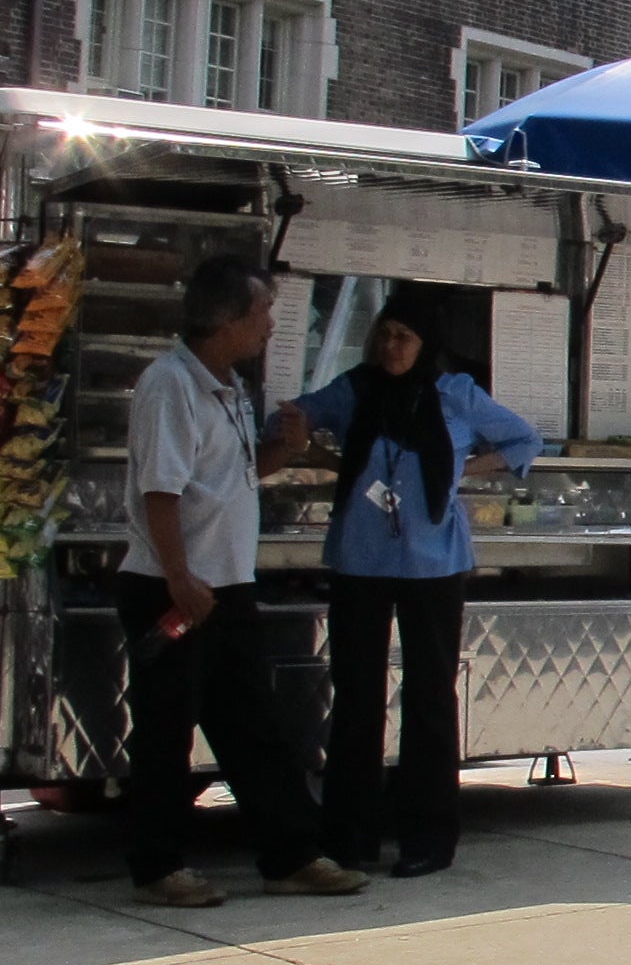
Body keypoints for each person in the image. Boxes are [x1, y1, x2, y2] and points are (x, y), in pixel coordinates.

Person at [114, 256, 360, 909]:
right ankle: (157, 866)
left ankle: (291, 854)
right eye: (261, 313)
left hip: (226, 586)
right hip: (175, 587)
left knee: (254, 726)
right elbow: (160, 493)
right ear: (224, 319)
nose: (271, 327)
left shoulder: (225, 388)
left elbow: (237, 477)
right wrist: (179, 577)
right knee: (166, 731)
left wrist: (291, 446)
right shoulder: (170, 386)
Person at [274, 292, 542, 878]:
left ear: (426, 344)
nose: (392, 347)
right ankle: (350, 836)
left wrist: (457, 468)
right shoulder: (355, 389)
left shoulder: (455, 395)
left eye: (405, 337)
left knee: (428, 699)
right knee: (357, 699)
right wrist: (298, 427)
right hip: (360, 562)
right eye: (386, 334)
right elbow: (295, 417)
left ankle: (427, 837)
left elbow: (525, 440)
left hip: (433, 564)